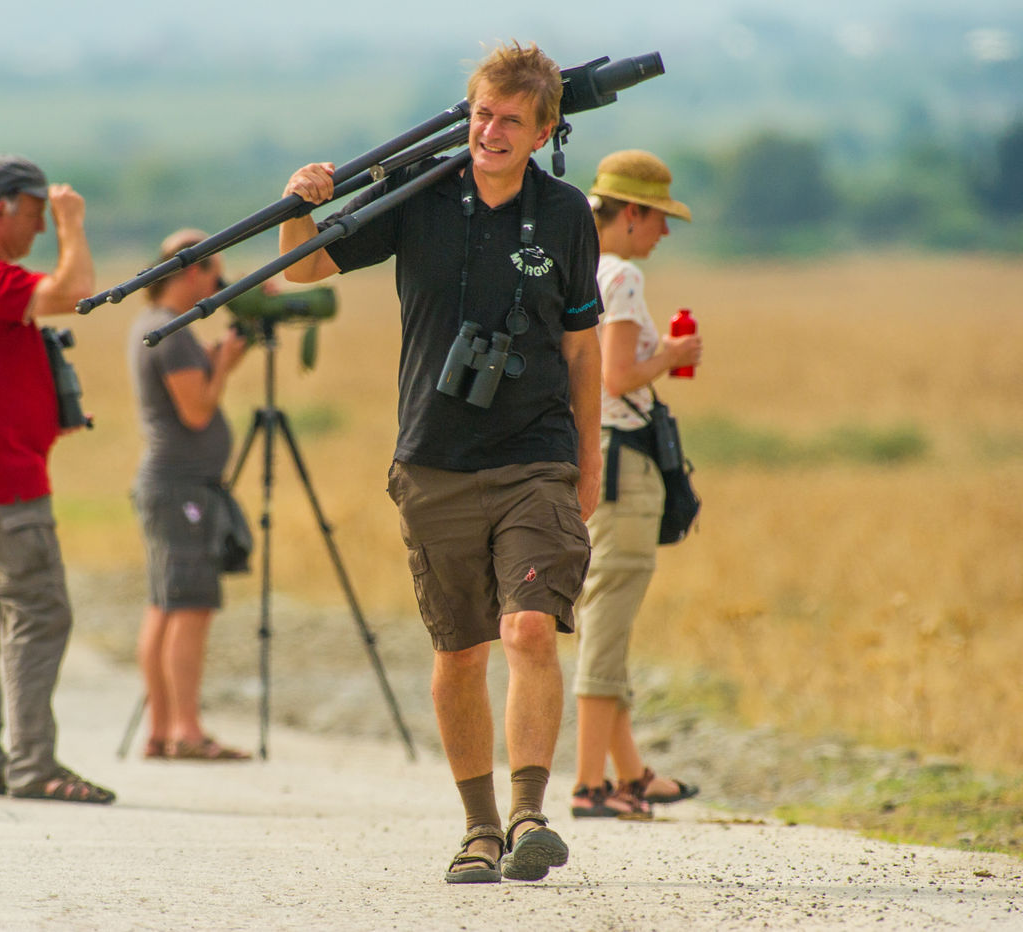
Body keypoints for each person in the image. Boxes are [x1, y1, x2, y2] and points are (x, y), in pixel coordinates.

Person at [278, 42, 602, 883]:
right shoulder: (419, 194)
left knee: (529, 628)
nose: (489, 132)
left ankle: (532, 811)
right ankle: (480, 829)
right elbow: (300, 267)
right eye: (480, 114)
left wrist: (589, 462)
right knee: (460, 651)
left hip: (536, 456)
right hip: (433, 459)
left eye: (509, 122)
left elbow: (582, 348)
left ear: (544, 132)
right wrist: (300, 203)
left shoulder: (567, 213)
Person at [0, 153, 115, 803]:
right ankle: (35, 765)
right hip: (3, 483)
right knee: (41, 612)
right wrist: (73, 224)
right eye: (34, 215)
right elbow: (74, 292)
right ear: (3, 207)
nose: (39, 230)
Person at [570, 149, 703, 818]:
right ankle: (591, 785)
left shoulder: (575, 264)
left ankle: (631, 772)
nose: (664, 233)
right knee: (609, 624)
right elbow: (618, 376)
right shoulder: (619, 274)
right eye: (659, 218)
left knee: (604, 616)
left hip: (590, 454)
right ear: (631, 213)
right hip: (624, 462)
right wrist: (672, 356)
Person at [127, 229, 252, 762]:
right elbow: (197, 410)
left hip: (170, 487)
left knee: (166, 604)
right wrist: (225, 362)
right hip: (181, 488)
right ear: (187, 272)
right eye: (212, 273)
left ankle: (161, 730)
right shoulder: (172, 333)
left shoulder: (151, 327)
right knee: (191, 607)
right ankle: (186, 731)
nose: (217, 285)